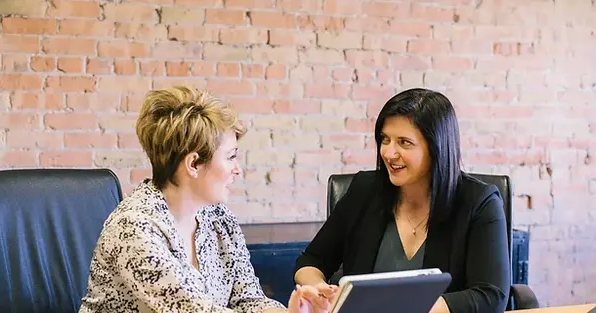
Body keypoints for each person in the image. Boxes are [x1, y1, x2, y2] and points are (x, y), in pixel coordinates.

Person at [78, 86, 330, 313]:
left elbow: (248, 301)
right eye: (231, 157)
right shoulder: (134, 228)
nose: (238, 169)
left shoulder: (219, 219)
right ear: (193, 164)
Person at [293, 88, 511, 313]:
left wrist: (410, 305)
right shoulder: (364, 191)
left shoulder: (479, 202)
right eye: (385, 139)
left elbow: (491, 296)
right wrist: (318, 289)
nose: (388, 153)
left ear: (436, 148)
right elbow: (311, 260)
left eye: (404, 142)